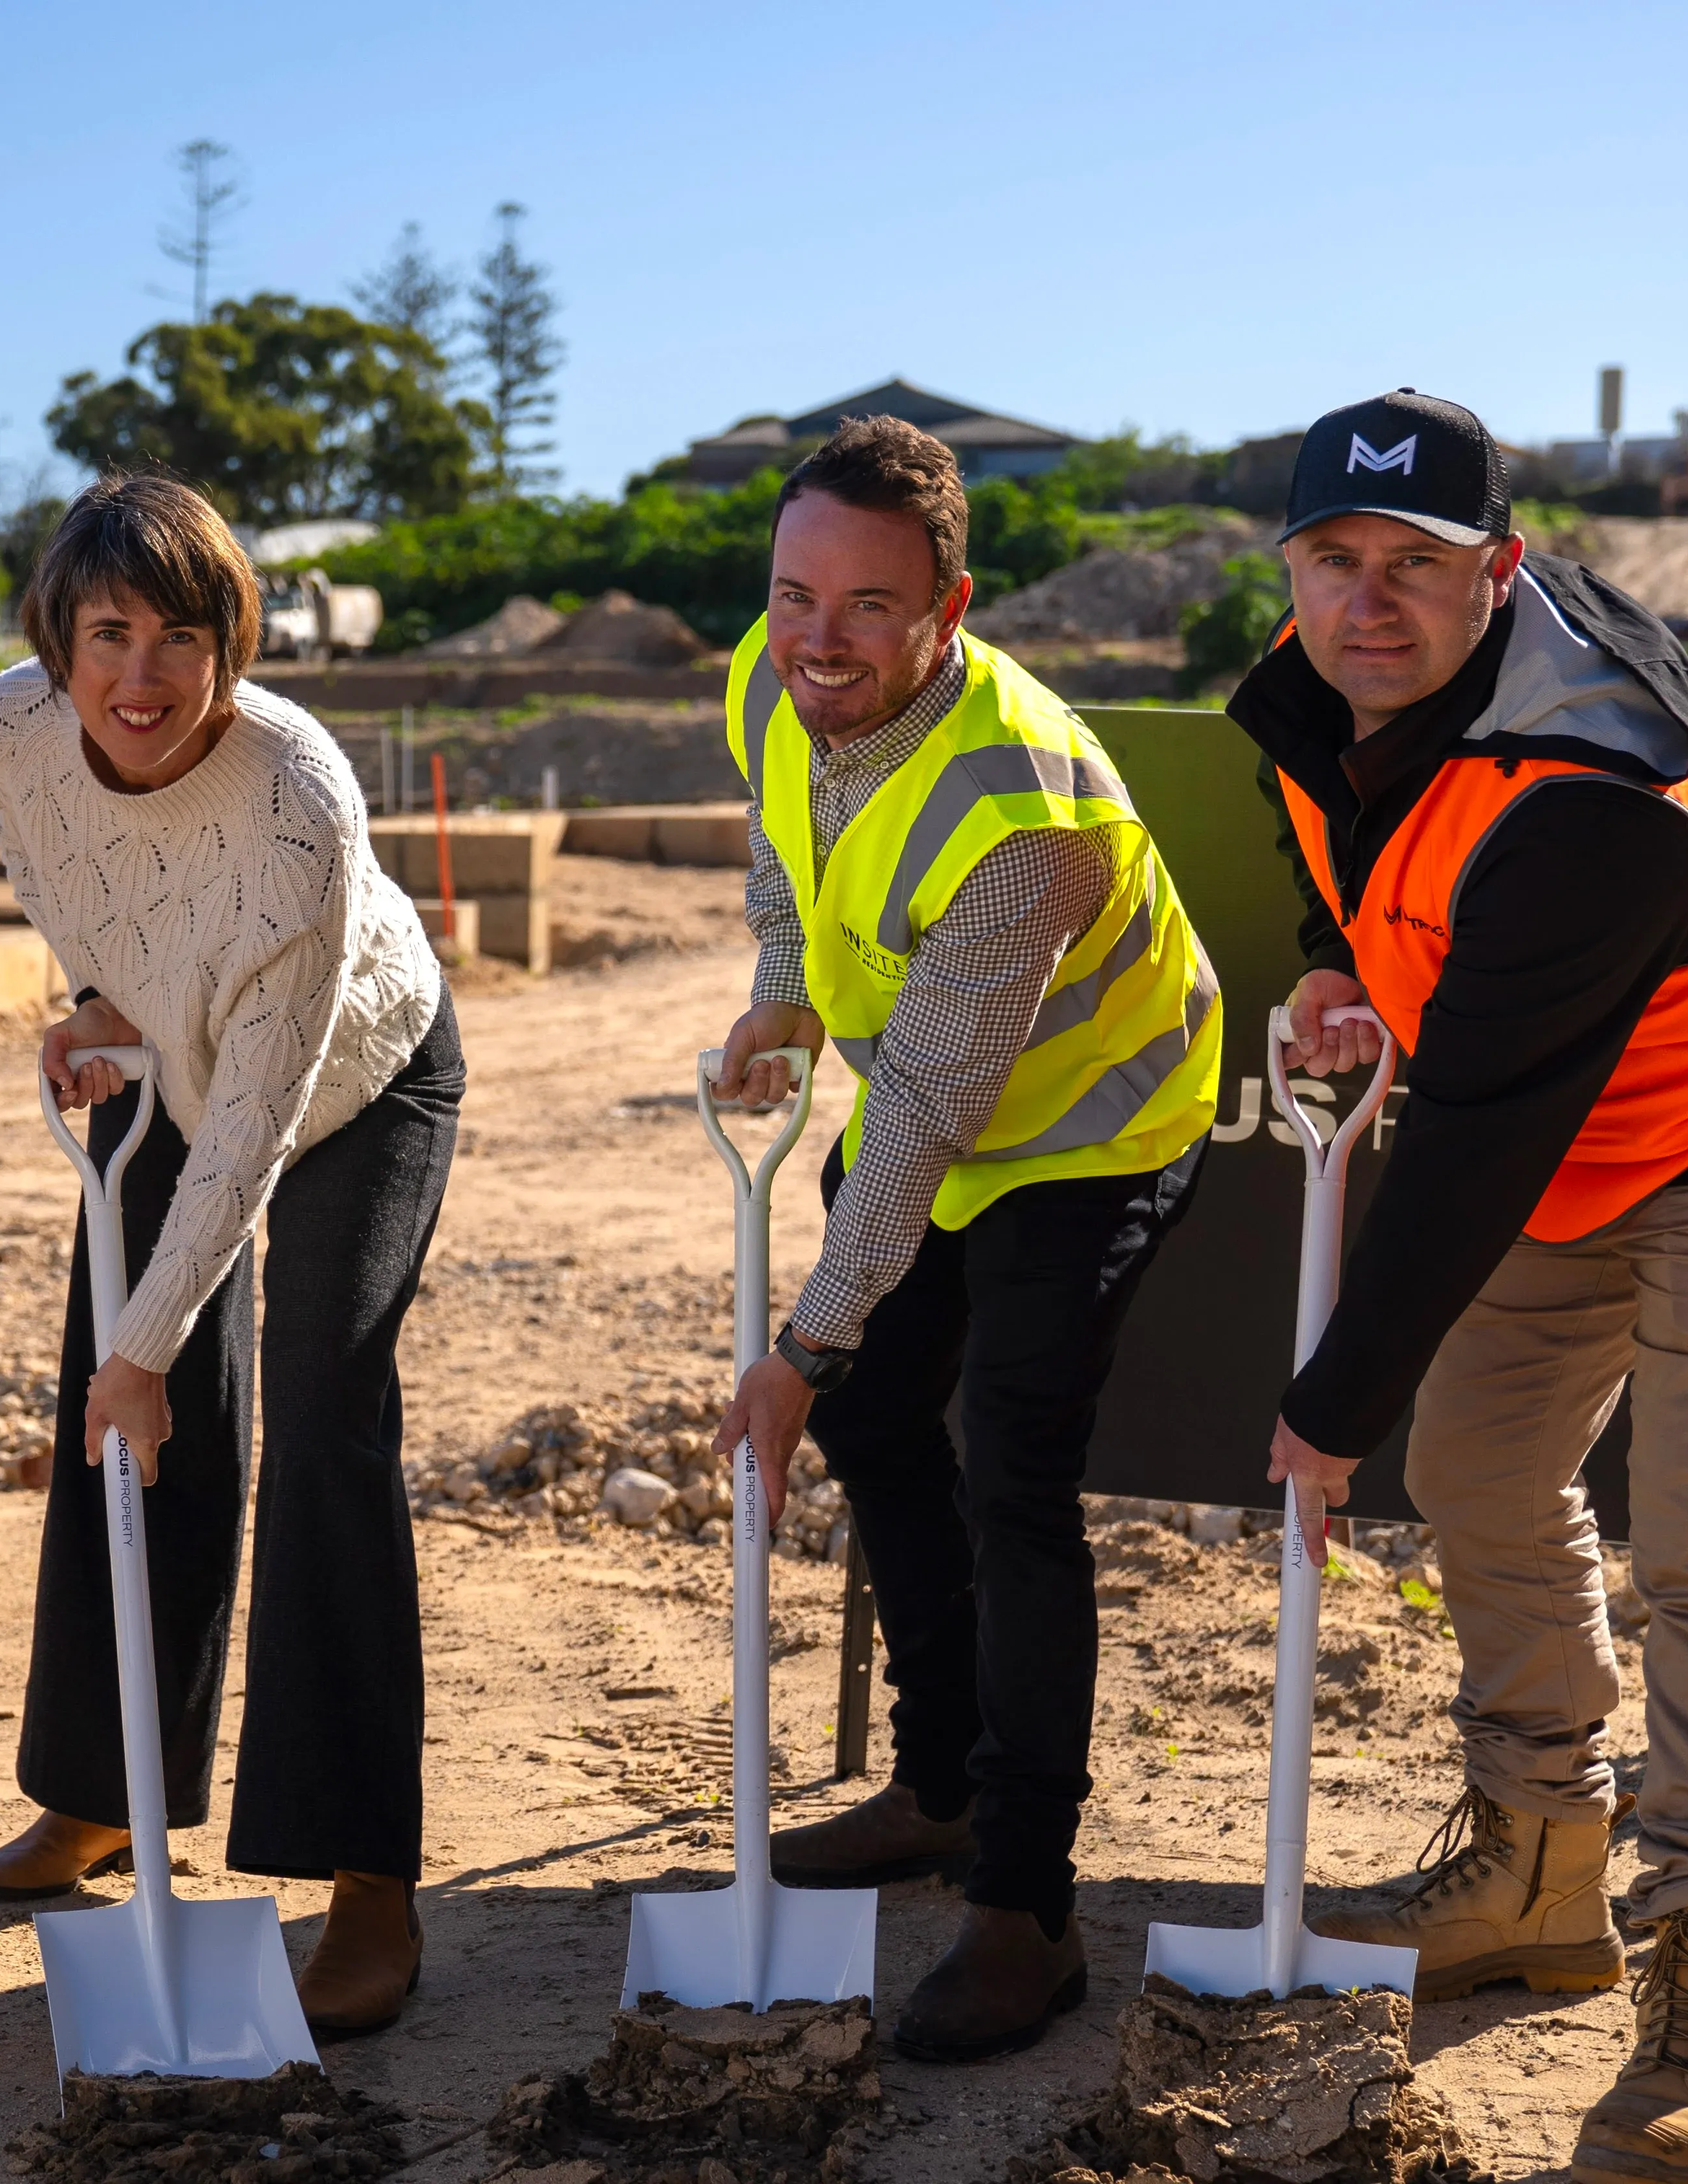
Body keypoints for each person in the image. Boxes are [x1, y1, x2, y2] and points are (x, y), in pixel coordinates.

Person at [1238, 390, 1688, 2184]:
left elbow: (1474, 1136)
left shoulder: (1597, 787)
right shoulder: (1320, 686)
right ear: (1292, 566)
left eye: (1416, 564)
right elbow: (1354, 845)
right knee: (1479, 1463)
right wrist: (1337, 959)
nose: (1368, 603)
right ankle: (1542, 1867)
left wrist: (1328, 1405)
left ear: (1503, 570)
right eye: (1334, 558)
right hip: (1590, 1094)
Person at [703, 417, 1223, 2063]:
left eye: (871, 605)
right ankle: (937, 1782)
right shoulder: (775, 673)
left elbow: (925, 1112)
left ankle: (1024, 1904)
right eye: (797, 594)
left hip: (1093, 1121)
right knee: (875, 1411)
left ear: (951, 607)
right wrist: (786, 986)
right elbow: (786, 843)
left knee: (1012, 1465)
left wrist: (800, 1343)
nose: (821, 638)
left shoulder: (1021, 806)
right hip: (940, 1093)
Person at [0, 475, 459, 2036]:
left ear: (233, 649)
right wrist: (102, 993)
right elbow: (64, 874)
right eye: (109, 633)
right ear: (58, 640)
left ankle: (366, 1873)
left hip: (350, 1076)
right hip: (175, 1043)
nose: (143, 674)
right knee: (116, 1415)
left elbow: (251, 1130)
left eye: (183, 635)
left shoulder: (296, 799)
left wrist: (151, 1346)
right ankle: (103, 1786)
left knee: (317, 1418)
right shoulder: (12, 726)